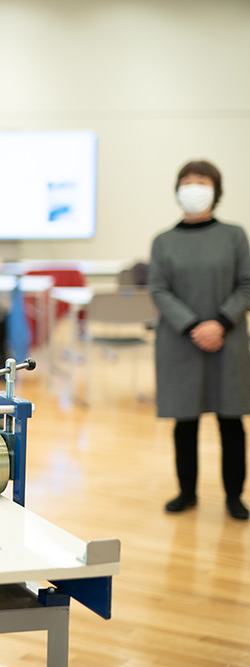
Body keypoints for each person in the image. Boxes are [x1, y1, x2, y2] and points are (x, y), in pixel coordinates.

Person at [149, 159, 249, 521]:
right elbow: (159, 289)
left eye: (201, 181)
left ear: (216, 190)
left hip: (228, 339)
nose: (193, 187)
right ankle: (187, 492)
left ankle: (234, 496)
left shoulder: (235, 236)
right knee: (185, 420)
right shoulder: (163, 241)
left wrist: (220, 323)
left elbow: (246, 284)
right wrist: (194, 325)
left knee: (231, 420)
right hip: (181, 342)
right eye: (187, 181)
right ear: (177, 191)